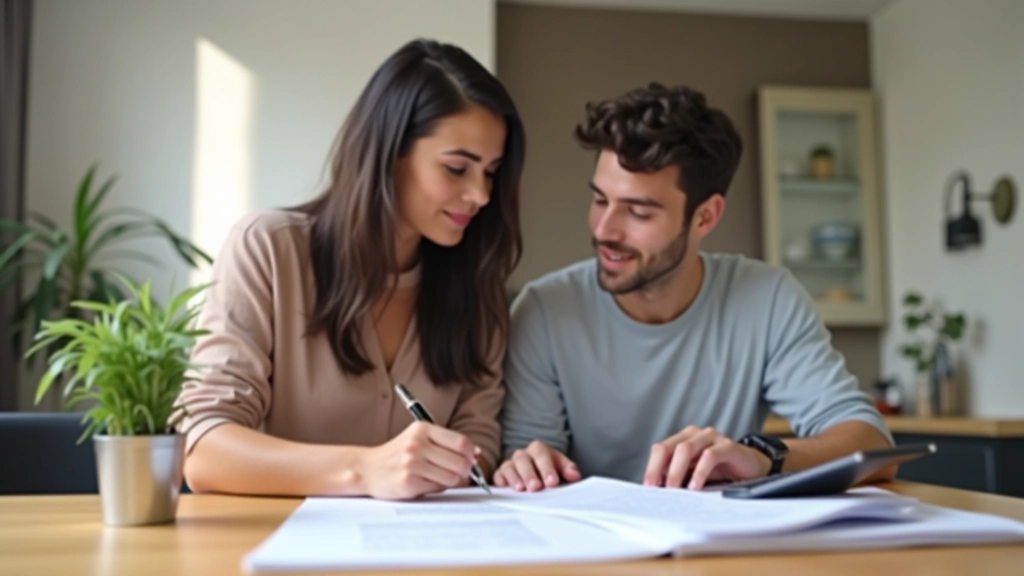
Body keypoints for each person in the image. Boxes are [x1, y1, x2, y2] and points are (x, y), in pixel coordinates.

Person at [496, 83, 892, 492]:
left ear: (705, 217)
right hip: (591, 546)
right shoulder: (543, 311)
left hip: (721, 548)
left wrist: (762, 458)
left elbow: (872, 443)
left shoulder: (767, 299)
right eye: (600, 200)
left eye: (637, 211)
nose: (603, 229)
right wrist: (526, 464)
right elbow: (527, 456)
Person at [176, 39, 524, 500]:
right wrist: (363, 470)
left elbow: (478, 441)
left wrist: (461, 461)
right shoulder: (269, 249)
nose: (481, 195)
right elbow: (203, 451)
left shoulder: (478, 288)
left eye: (491, 172)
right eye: (458, 168)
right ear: (388, 154)